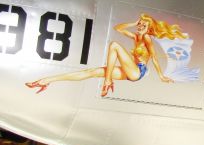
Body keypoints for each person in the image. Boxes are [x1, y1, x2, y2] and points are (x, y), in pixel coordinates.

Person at [26, 13, 187, 97]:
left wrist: (161, 76)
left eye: (144, 26)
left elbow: (154, 58)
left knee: (115, 46)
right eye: (140, 25)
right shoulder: (136, 36)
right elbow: (118, 28)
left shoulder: (146, 38)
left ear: (149, 28)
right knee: (93, 72)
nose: (141, 27)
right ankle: (46, 81)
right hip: (130, 70)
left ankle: (107, 81)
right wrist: (133, 23)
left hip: (138, 71)